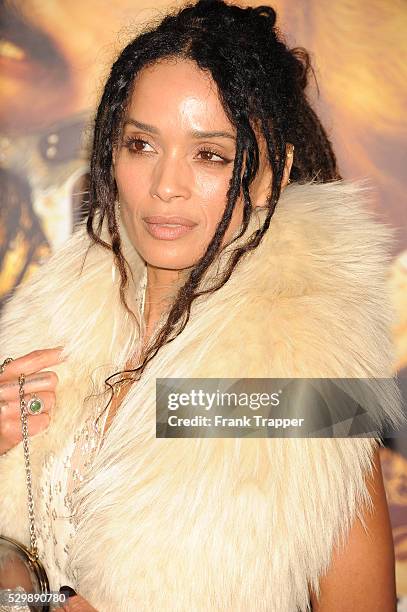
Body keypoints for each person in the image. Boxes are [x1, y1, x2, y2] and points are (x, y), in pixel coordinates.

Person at [0, 1, 404, 610]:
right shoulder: (47, 329)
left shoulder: (303, 379)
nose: (166, 185)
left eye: (210, 155)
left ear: (275, 174)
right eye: (141, 145)